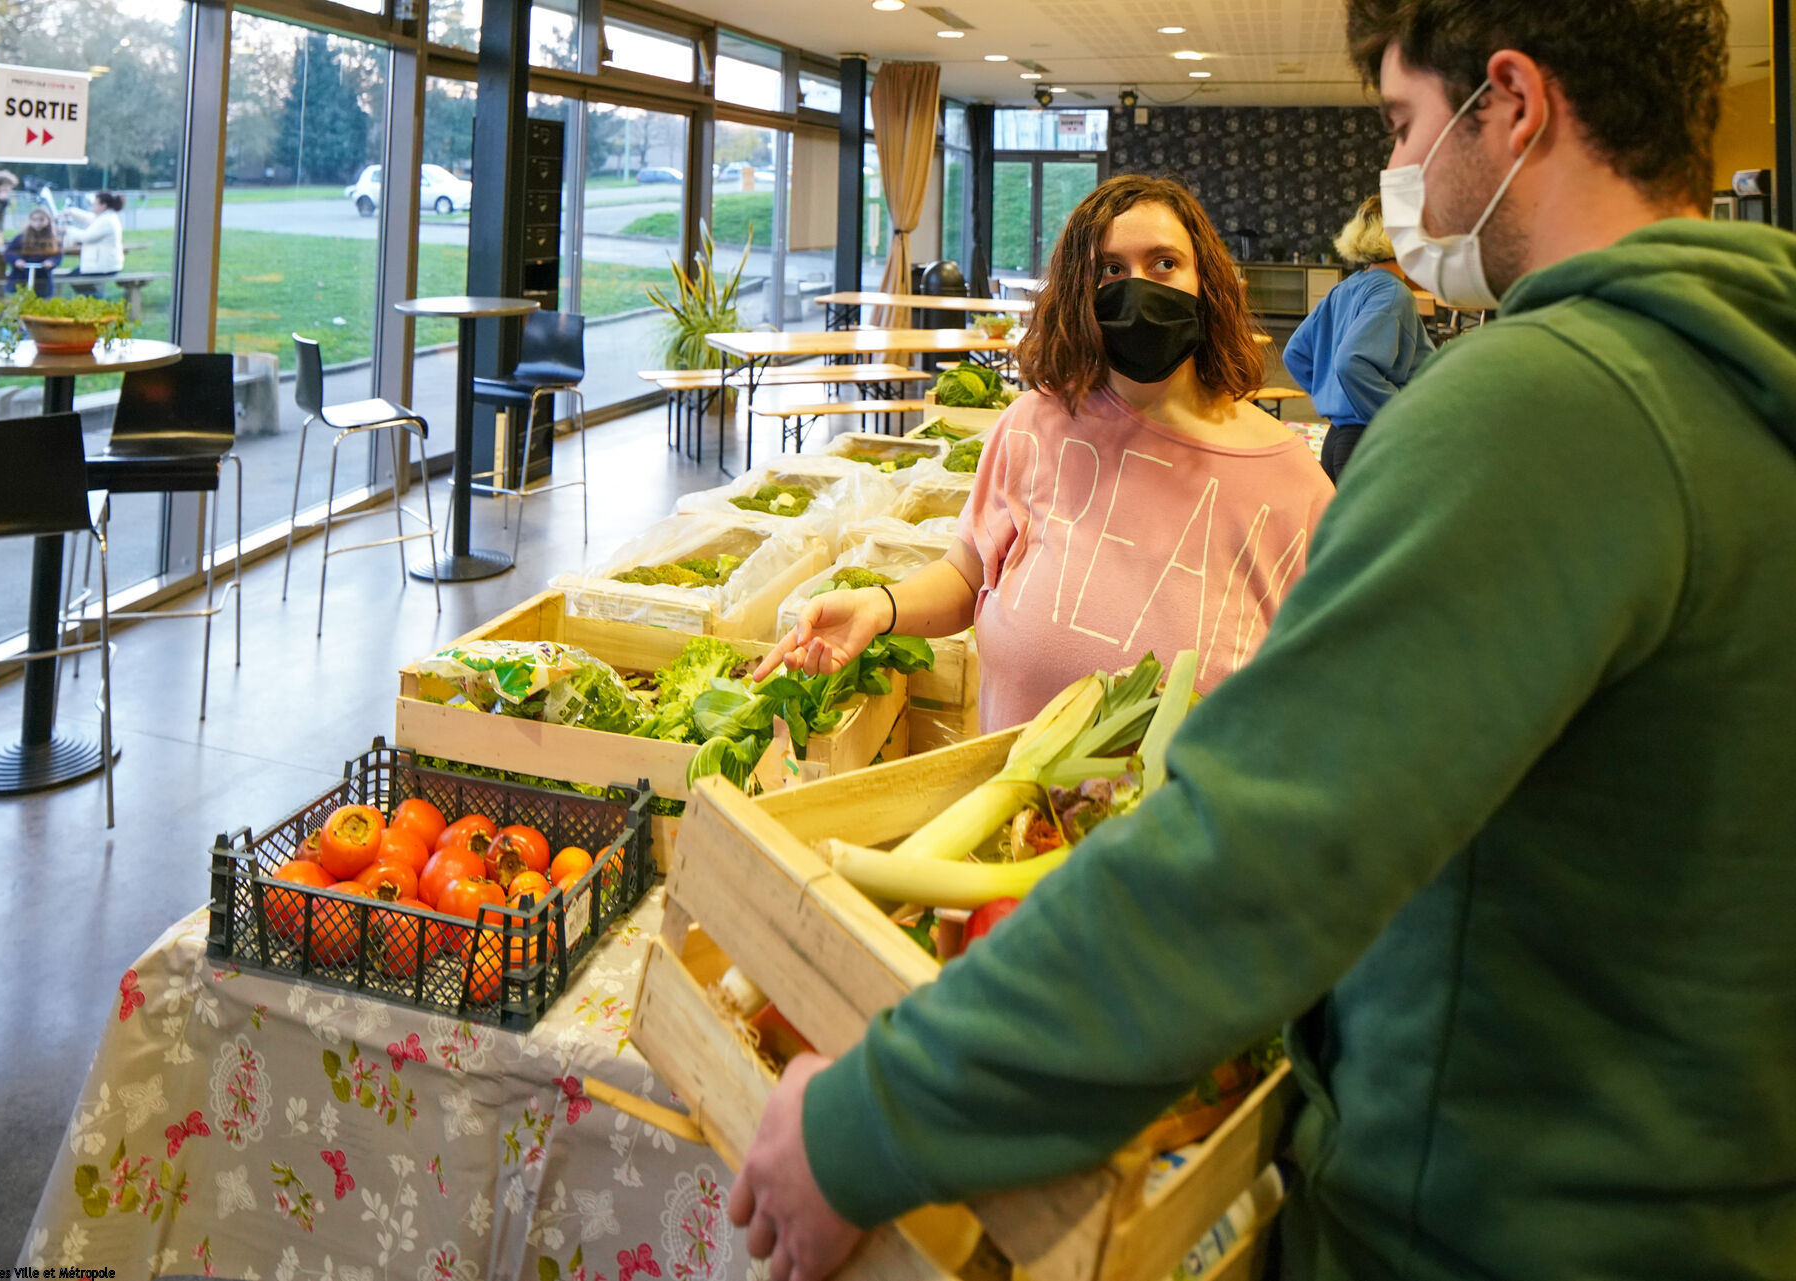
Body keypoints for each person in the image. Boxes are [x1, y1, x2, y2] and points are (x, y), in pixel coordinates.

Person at [729, 3, 1796, 1280]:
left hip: (1489, 1218)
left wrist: (867, 1127)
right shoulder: (1746, 386)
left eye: (1405, 125)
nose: (1400, 176)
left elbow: (1253, 858)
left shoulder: (1534, 415)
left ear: (1510, 105)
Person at [754, 174, 1333, 726]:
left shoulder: (1291, 485)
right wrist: (881, 606)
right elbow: (967, 575)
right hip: (1016, 812)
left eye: (1164, 263)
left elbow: (1327, 683)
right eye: (1109, 269)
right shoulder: (1032, 427)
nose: (1138, 288)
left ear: (1205, 281)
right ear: (1080, 293)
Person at [1282, 194, 1434, 480]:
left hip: (1338, 438)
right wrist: (1398, 411)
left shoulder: (1346, 288)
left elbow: (1296, 353)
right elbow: (1352, 362)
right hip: (1366, 442)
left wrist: (1336, 395)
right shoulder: (1393, 292)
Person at [61, 190, 126, 293]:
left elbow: (86, 237)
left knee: (72, 279)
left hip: (103, 267)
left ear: (103, 205)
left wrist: (68, 229)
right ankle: (92, 298)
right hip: (103, 265)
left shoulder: (107, 221)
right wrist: (72, 212)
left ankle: (95, 298)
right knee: (74, 278)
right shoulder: (106, 217)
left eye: (95, 204)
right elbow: (90, 219)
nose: (93, 207)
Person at [4, 207, 64, 298]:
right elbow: (9, 252)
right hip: (21, 275)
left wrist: (51, 262)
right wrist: (17, 261)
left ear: (48, 220)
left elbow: (57, 255)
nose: (38, 223)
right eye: (34, 220)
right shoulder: (21, 238)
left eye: (41, 220)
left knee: (40, 300)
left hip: (42, 277)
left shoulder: (52, 239)